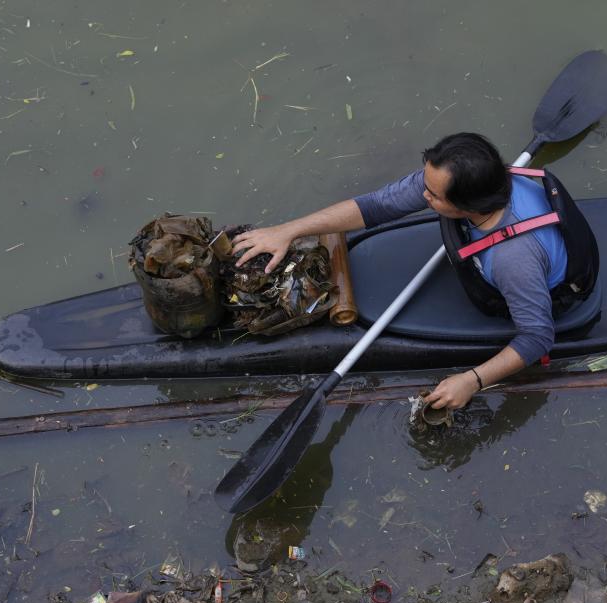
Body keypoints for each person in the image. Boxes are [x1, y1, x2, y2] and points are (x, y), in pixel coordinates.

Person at [232, 132, 575, 410]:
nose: (422, 193)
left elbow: (537, 337)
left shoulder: (512, 260)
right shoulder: (462, 181)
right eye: (425, 182)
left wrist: (472, 380)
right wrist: (287, 231)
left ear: (467, 206)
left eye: (433, 195)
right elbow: (376, 206)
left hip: (537, 288)